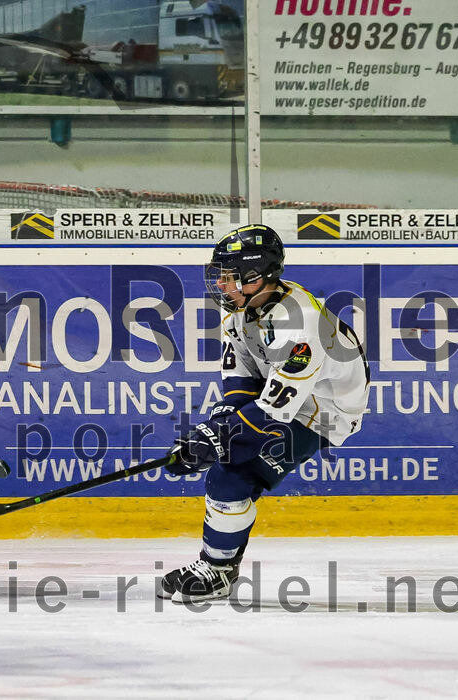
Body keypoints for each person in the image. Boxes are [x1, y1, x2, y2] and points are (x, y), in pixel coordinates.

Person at [159, 224, 370, 604]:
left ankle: (218, 571)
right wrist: (216, 428)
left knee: (231, 474)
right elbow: (240, 379)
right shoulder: (240, 309)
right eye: (220, 276)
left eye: (229, 276)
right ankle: (218, 565)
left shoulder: (299, 322)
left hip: (322, 411)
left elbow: (274, 410)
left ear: (256, 278)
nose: (221, 285)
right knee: (225, 446)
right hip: (287, 394)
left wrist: (218, 440)